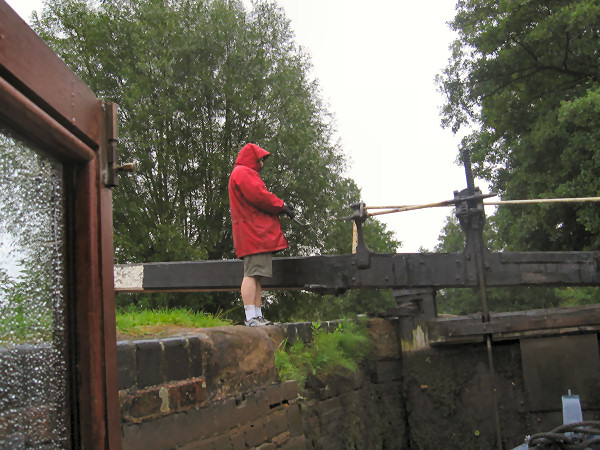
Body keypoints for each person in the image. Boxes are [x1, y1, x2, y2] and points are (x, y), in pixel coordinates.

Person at [228, 143, 295, 326]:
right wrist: (281, 205)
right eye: (260, 159)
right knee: (251, 274)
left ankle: (256, 315)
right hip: (254, 233)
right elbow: (259, 195)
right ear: (253, 158)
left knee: (256, 274)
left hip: (252, 233)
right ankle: (251, 317)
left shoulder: (240, 173)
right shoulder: (244, 173)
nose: (262, 163)